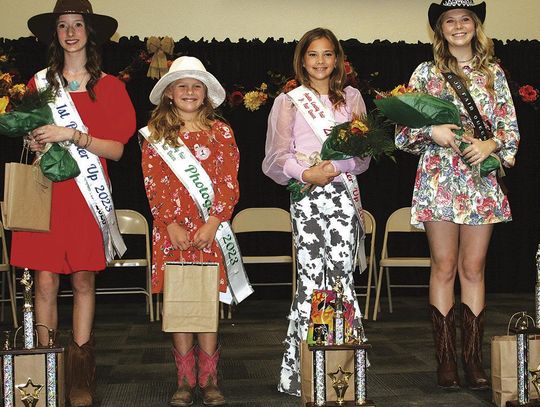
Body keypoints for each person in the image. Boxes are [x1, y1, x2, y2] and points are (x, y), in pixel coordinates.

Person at [11, 0, 136, 405]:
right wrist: (34, 138)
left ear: (89, 32)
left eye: (77, 24)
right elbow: (31, 135)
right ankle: (49, 368)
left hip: (87, 196)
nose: (70, 32)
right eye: (62, 25)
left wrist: (73, 135)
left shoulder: (111, 87)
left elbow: (116, 150)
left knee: (83, 279)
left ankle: (82, 374)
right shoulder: (39, 84)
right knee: (44, 282)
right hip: (48, 193)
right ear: (55, 34)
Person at [395, 0, 519, 390]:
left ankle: (473, 359)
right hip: (439, 179)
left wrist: (491, 145)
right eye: (450, 20)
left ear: (476, 26)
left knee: (474, 268)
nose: (458, 26)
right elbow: (402, 132)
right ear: (440, 29)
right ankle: (445, 358)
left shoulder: (493, 74)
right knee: (444, 265)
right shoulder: (425, 72)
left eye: (466, 19)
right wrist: (432, 132)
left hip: (479, 183)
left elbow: (511, 132)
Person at [262, 27, 370, 396]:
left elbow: (364, 154)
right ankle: (306, 366)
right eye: (313, 54)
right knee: (311, 279)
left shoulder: (352, 98)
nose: (321, 61)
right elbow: (276, 157)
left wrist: (336, 168)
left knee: (339, 278)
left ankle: (342, 365)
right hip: (306, 194)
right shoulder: (289, 100)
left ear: (337, 59)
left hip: (341, 194)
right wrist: (307, 172)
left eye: (328, 54)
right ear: (302, 59)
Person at [140, 56, 239, 406]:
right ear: (168, 92)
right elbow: (153, 184)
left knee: (207, 302)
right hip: (173, 234)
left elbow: (229, 182)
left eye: (196, 85)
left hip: (211, 232)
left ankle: (209, 379)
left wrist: (214, 221)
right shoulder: (155, 136)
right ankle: (184, 380)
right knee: (179, 303)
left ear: (205, 93)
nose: (189, 91)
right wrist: (168, 222)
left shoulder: (222, 132)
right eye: (181, 85)